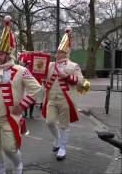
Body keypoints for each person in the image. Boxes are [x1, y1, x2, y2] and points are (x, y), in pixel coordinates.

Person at [0, 16, 41, 174]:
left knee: (10, 148)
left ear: (8, 54)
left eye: (1, 54)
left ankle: (18, 165)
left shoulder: (21, 71)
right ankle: (0, 170)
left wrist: (22, 106)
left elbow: (37, 89)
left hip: (10, 117)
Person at [42, 27, 85, 161]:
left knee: (64, 124)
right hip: (51, 99)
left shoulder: (73, 65)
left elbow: (82, 83)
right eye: (57, 51)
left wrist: (67, 76)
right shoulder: (50, 65)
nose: (57, 53)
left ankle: (62, 147)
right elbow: (41, 73)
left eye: (60, 52)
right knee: (49, 122)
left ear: (66, 52)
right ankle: (57, 138)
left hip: (66, 100)